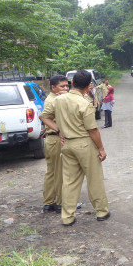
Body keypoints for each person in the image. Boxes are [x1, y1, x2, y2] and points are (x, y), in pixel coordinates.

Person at [39, 70, 110, 226]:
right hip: (84, 144)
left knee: (70, 182)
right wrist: (101, 149)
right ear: (88, 87)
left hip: (67, 145)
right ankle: (101, 211)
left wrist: (58, 130)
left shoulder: (59, 100)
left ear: (72, 83)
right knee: (94, 179)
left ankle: (67, 216)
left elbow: (43, 116)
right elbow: (92, 130)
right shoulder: (84, 104)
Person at [41, 75, 69, 214]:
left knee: (51, 172)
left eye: (67, 86)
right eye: (62, 86)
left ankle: (48, 202)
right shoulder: (54, 100)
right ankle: (61, 203)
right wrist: (59, 130)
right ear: (53, 87)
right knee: (60, 172)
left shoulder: (51, 98)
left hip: (50, 139)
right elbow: (45, 117)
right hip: (56, 138)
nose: (66, 89)